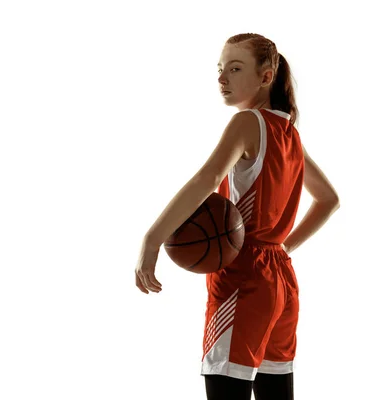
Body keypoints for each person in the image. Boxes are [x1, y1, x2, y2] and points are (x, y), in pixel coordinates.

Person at [134, 33, 340, 400]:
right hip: (280, 279)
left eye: (235, 68)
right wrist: (282, 248)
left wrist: (152, 240)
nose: (221, 78)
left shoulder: (247, 122)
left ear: (266, 76)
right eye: (219, 69)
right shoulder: (288, 132)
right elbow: (328, 199)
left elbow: (208, 179)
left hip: (242, 276)